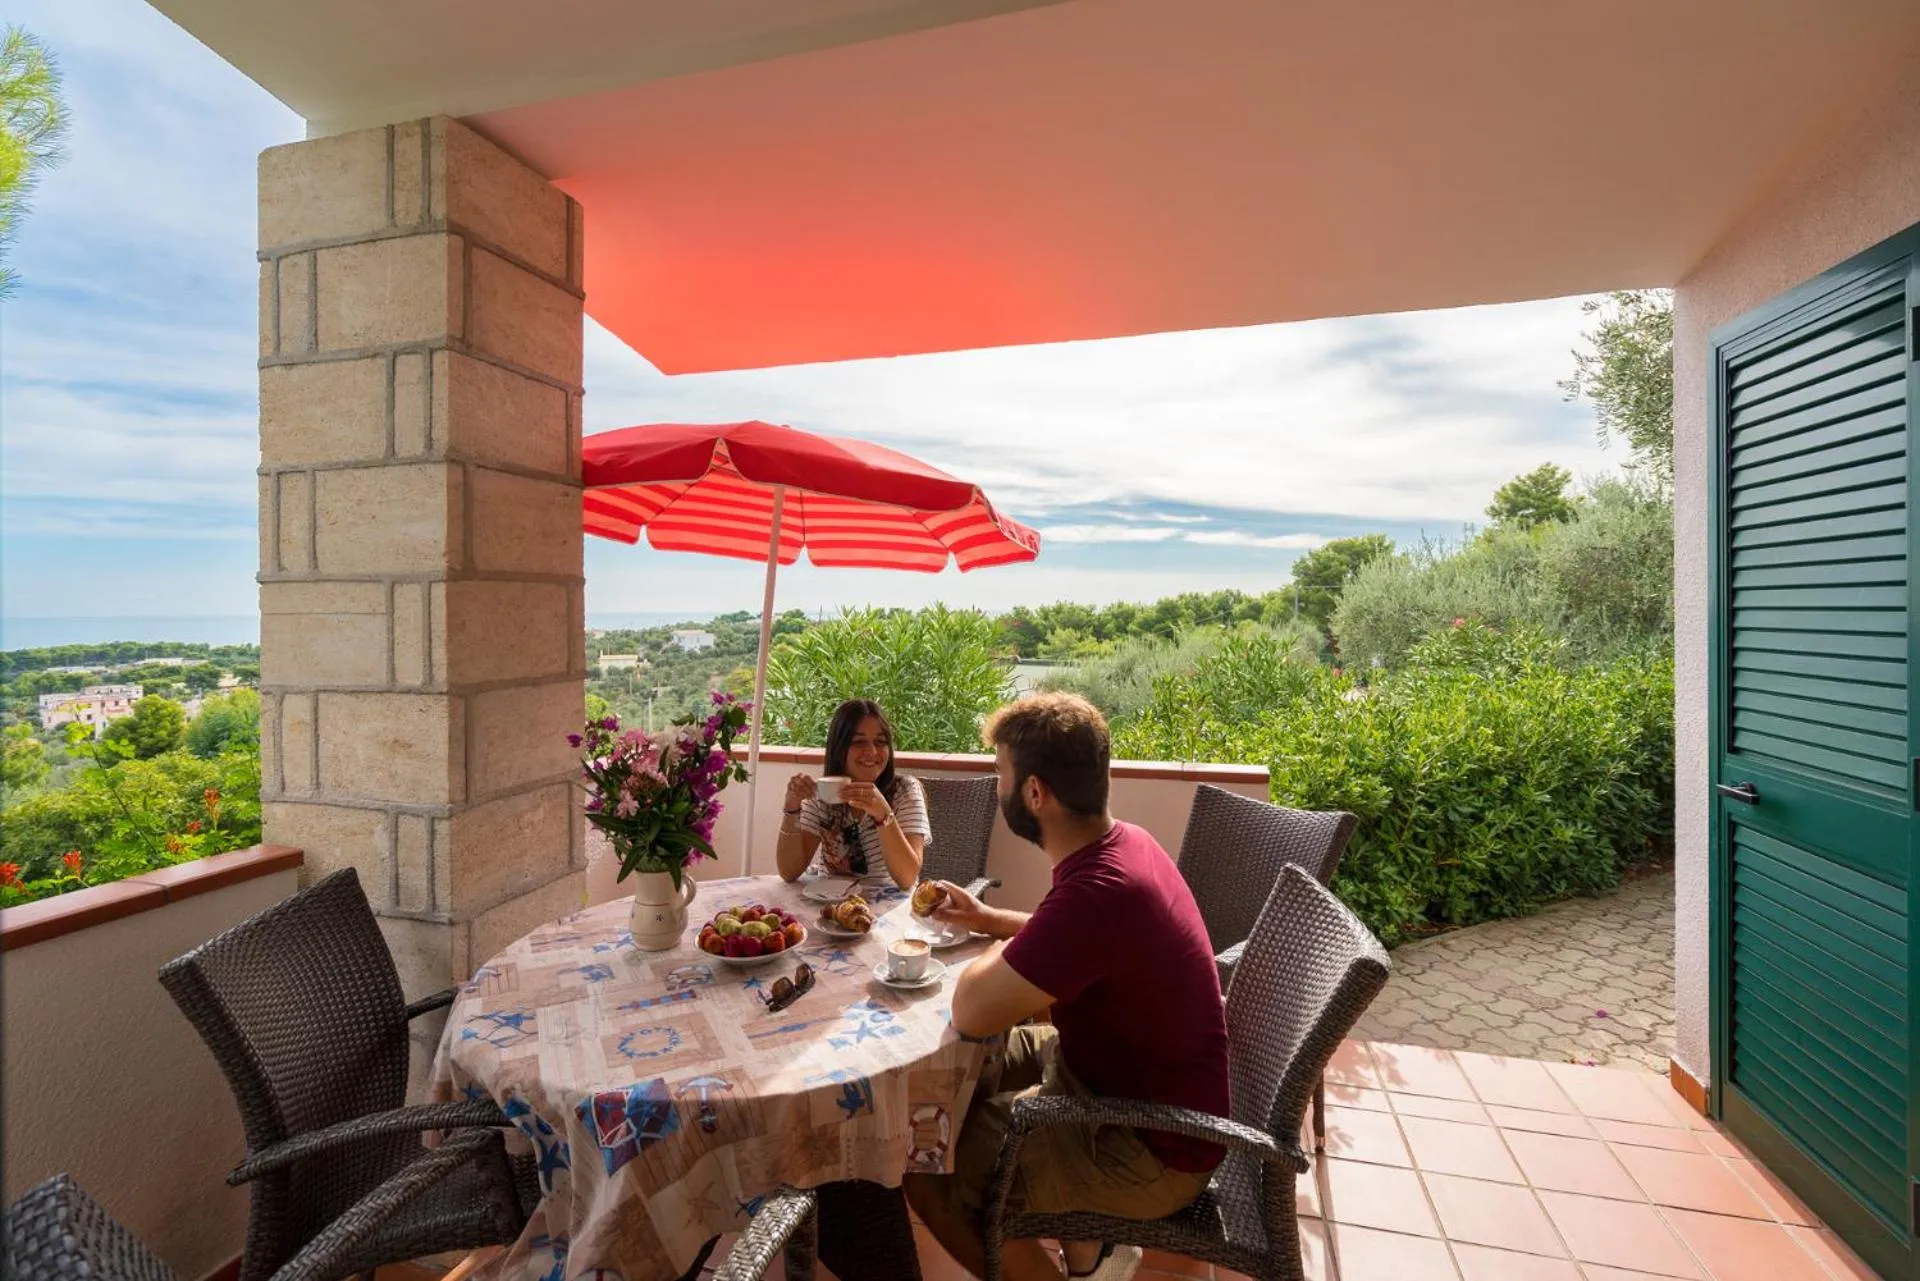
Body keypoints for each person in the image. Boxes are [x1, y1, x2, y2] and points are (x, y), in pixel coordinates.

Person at [904, 693, 1230, 1281]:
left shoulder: (1099, 893)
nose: (996, 784)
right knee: (962, 1077)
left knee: (930, 1169)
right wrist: (988, 920)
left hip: (1149, 1147)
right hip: (1115, 1081)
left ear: (1035, 793)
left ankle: (1066, 1240)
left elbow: (971, 1007)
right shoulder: (1125, 844)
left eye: (1000, 772)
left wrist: (999, 955)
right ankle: (1085, 1246)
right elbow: (1071, 935)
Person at [776, 698, 929, 889]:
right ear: (839, 748)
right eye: (859, 742)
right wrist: (791, 808)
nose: (872, 751)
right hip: (829, 907)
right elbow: (789, 872)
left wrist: (883, 814)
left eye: (880, 742)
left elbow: (907, 878)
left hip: (890, 909)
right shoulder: (823, 794)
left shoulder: (904, 791)